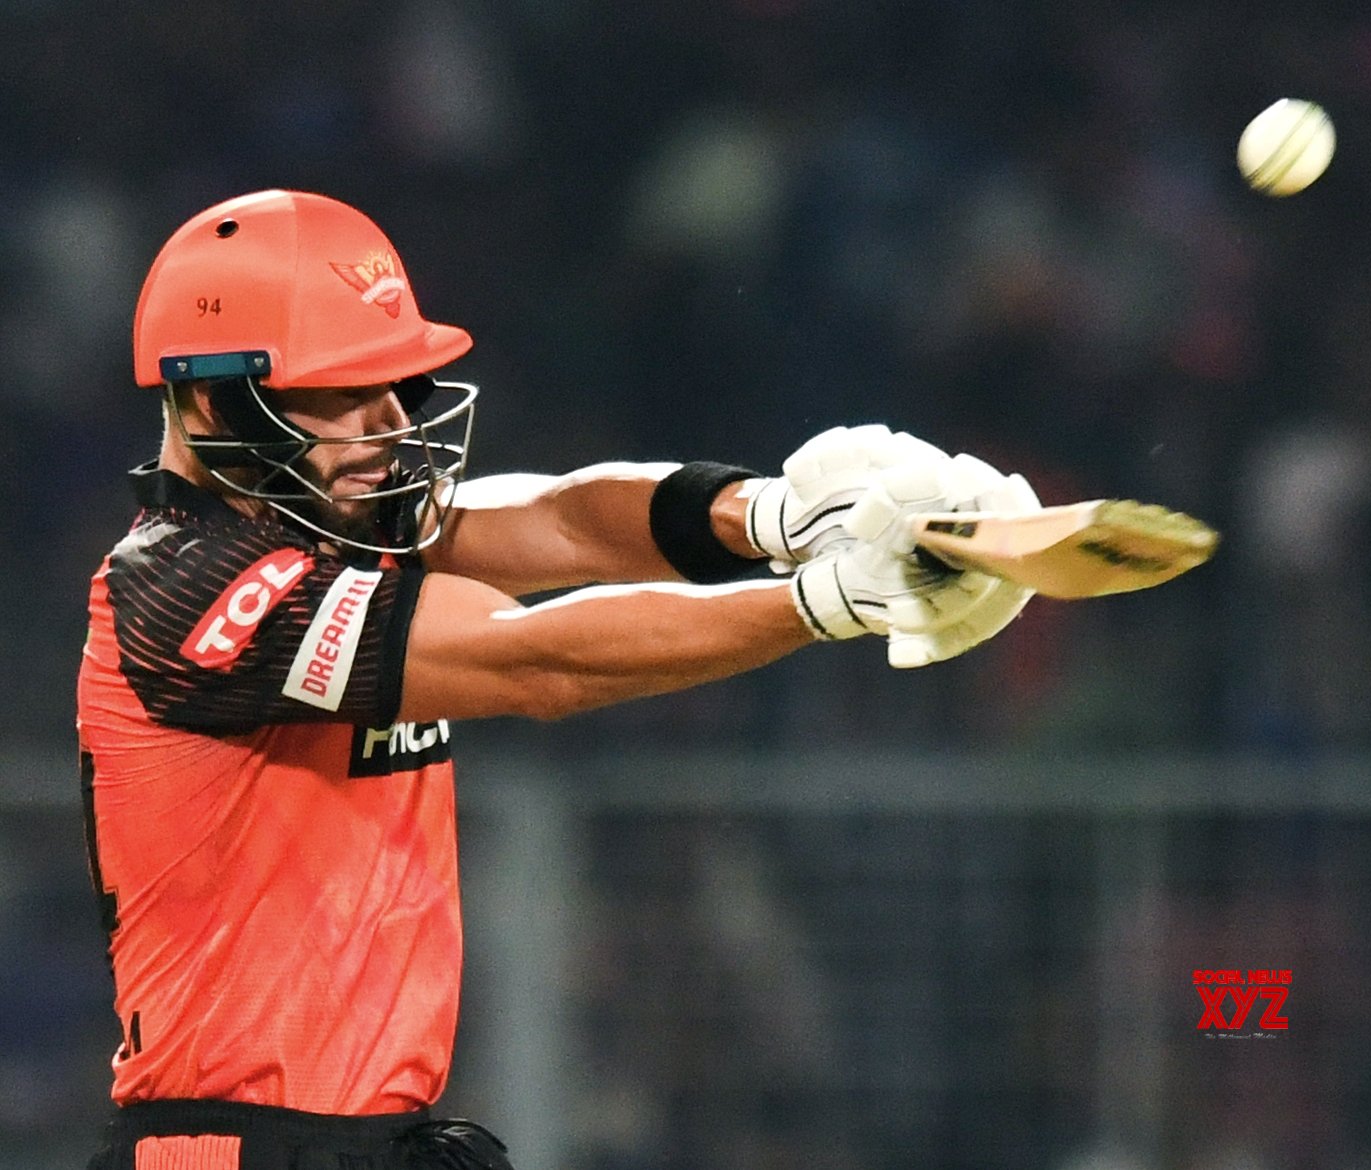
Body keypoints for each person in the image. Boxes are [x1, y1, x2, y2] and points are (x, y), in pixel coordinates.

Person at [76, 189, 1041, 1170]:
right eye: (336, 392)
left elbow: (562, 520)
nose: (386, 423)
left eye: (394, 384)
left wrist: (773, 515)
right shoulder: (181, 585)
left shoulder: (337, 520)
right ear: (208, 400)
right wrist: (826, 601)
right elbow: (535, 661)